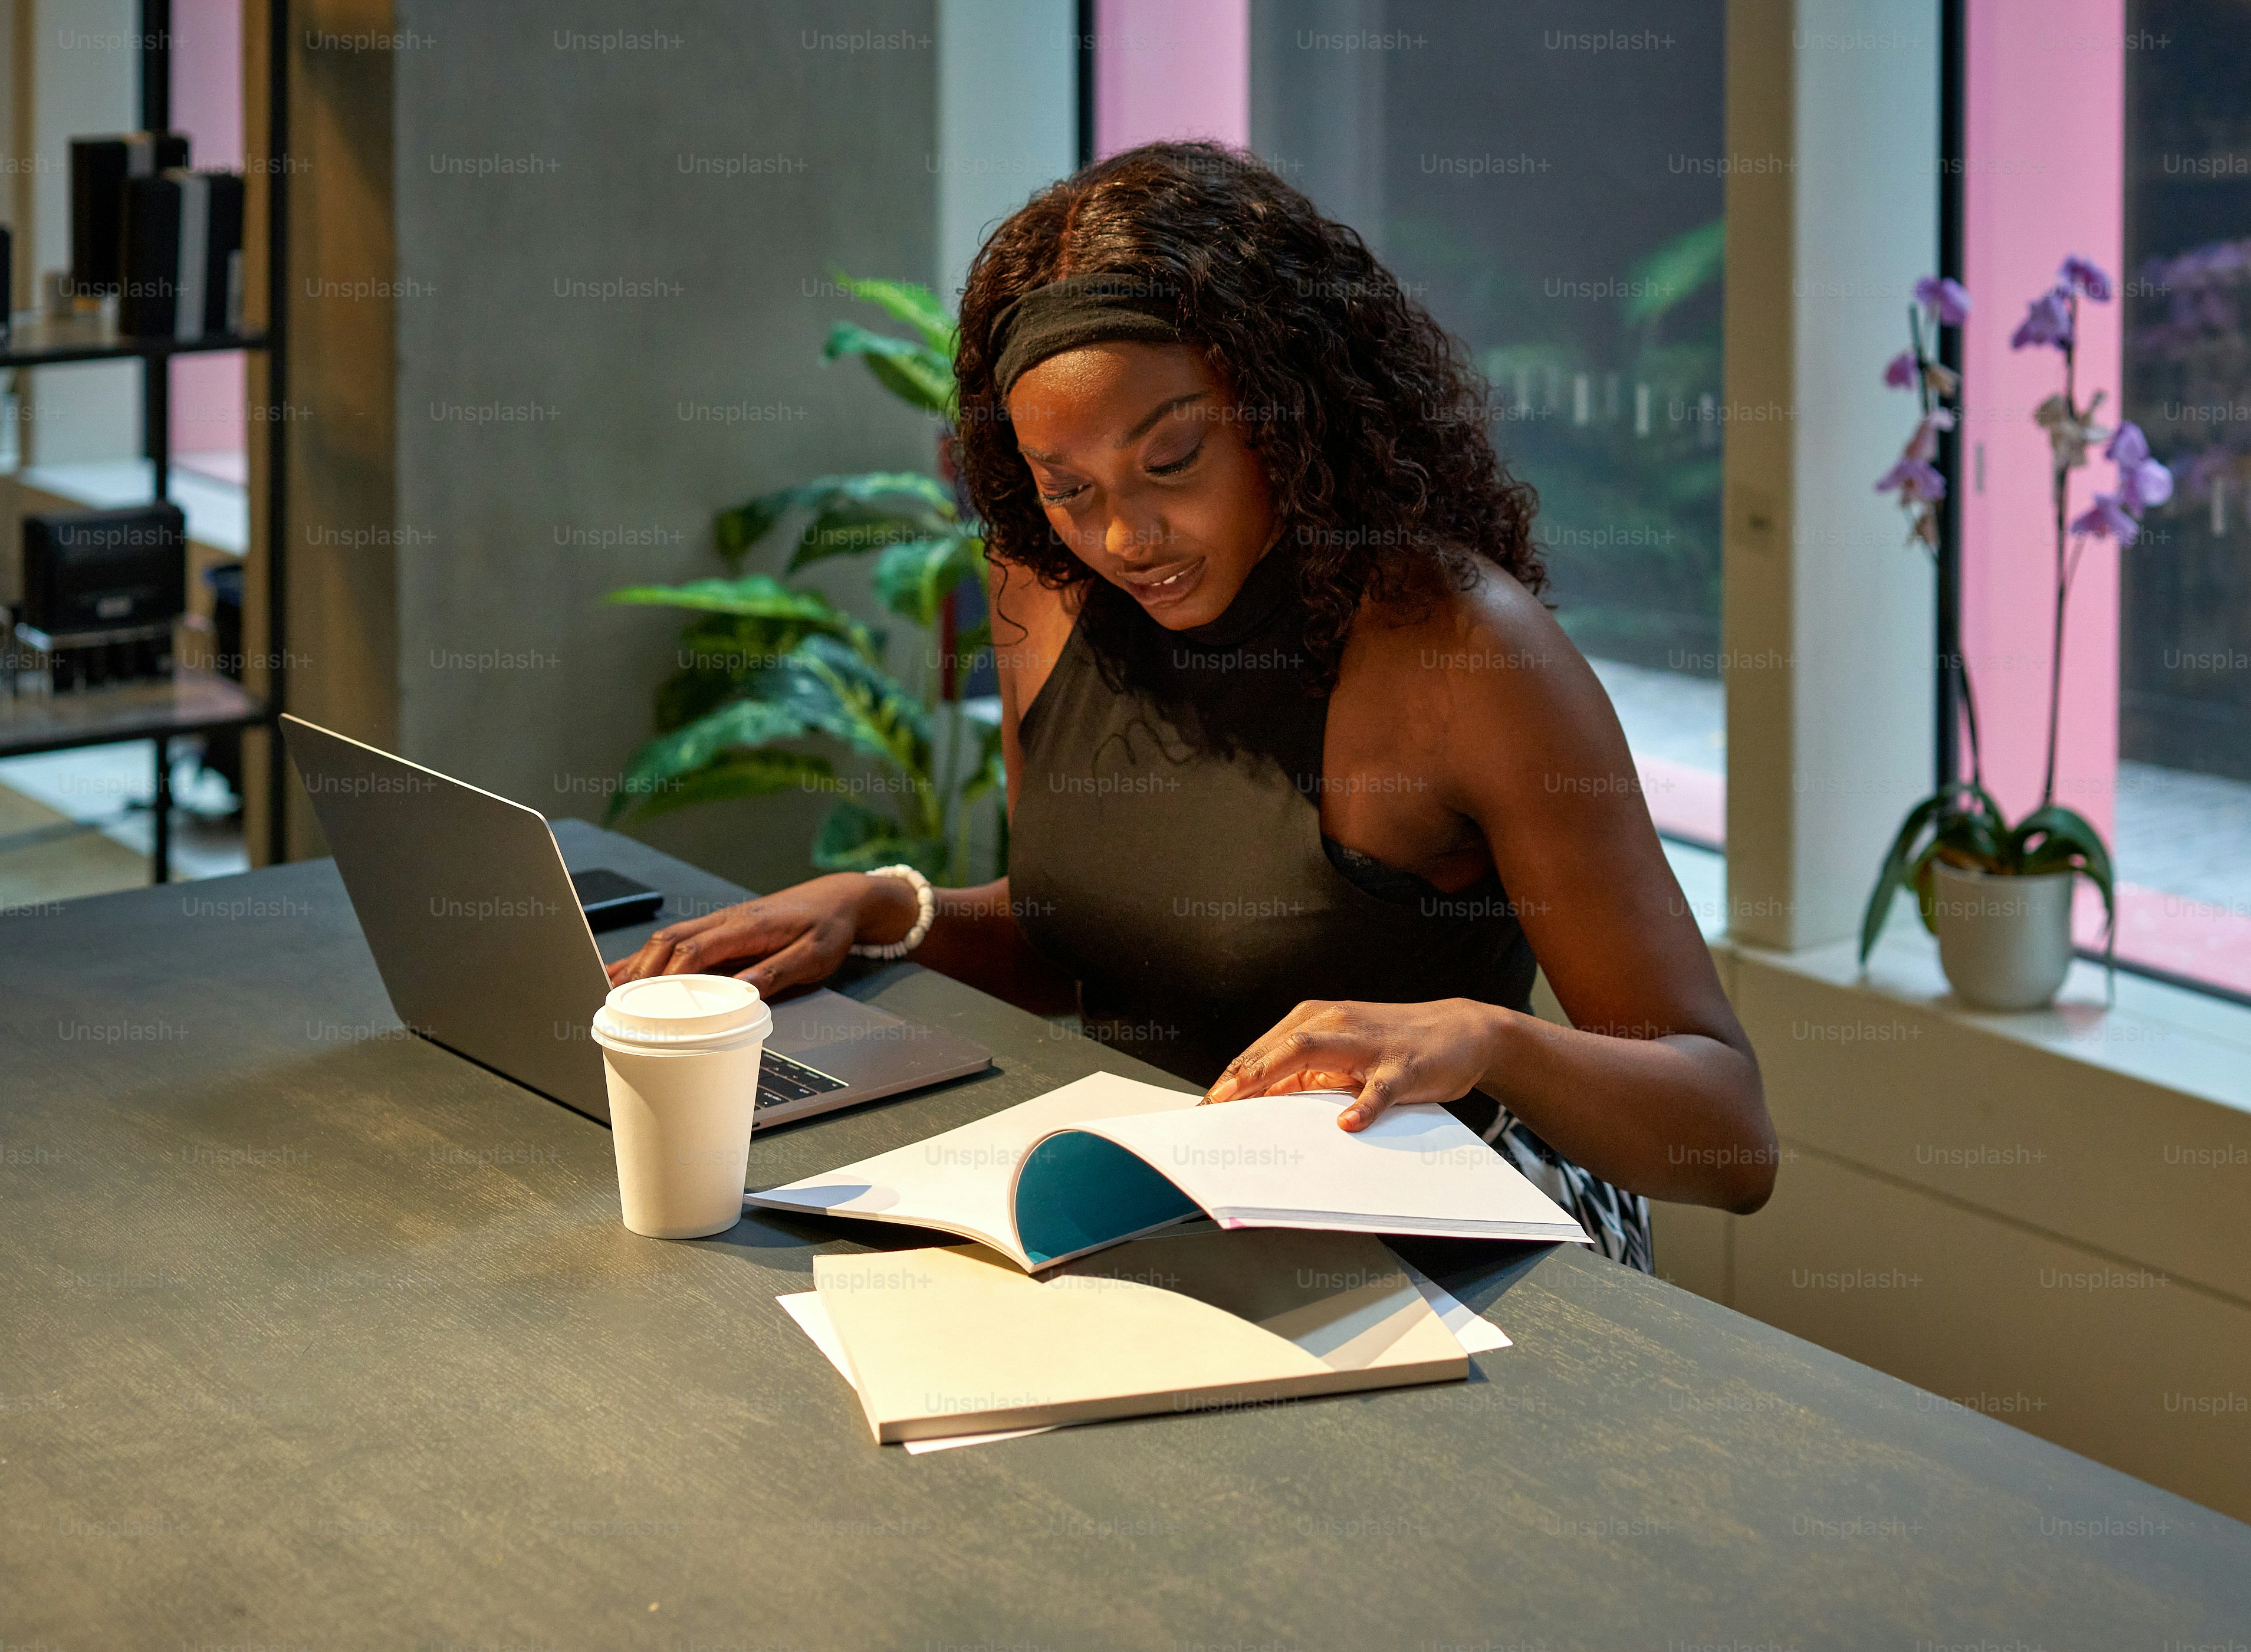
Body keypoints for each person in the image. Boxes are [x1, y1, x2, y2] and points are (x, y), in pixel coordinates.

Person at [609, 141, 1775, 1263]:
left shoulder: (1459, 652)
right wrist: (879, 910)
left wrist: (1481, 1040)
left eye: (1172, 463)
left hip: (1468, 1234)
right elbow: (1093, 935)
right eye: (1068, 488)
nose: (1126, 537)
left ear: (1286, 407)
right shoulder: (1047, 581)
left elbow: (1730, 1139)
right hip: (1180, 1209)